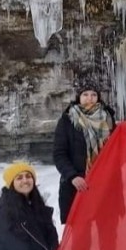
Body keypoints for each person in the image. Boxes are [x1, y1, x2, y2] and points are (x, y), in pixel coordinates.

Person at [53, 77, 116, 224]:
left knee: (108, 231)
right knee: (80, 236)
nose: (90, 98)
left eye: (93, 94)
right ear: (78, 97)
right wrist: (72, 176)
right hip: (77, 186)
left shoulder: (108, 119)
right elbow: (59, 154)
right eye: (85, 94)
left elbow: (117, 149)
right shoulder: (67, 121)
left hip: (104, 186)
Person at [0, 162, 59, 250]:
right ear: (12, 183)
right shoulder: (6, 210)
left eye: (28, 176)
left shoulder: (35, 202)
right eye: (19, 178)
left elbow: (49, 230)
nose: (25, 180)